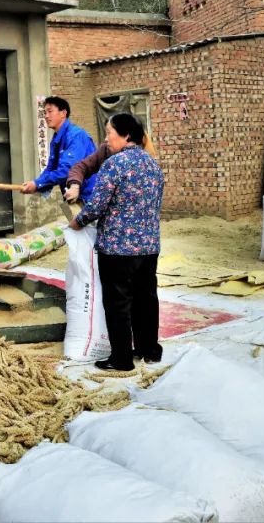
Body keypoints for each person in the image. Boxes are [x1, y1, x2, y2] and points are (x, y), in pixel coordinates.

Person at [69, 113, 164, 372]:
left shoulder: (115, 164)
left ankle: (121, 359)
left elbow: (97, 205)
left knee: (118, 303)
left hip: (118, 248)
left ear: (126, 135)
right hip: (148, 246)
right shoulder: (153, 164)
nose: (106, 139)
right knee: (146, 299)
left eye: (110, 133)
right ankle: (148, 349)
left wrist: (79, 220)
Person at [20, 96, 97, 198]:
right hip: (73, 195)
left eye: (50, 111)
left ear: (63, 113)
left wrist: (37, 184)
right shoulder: (57, 139)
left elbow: (68, 170)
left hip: (89, 196)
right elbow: (51, 168)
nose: (46, 116)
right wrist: (36, 184)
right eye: (45, 113)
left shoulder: (76, 135)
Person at [64, 123, 158, 204]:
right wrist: (75, 186)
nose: (106, 139)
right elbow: (81, 167)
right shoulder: (106, 150)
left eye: (110, 133)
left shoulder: (144, 161)